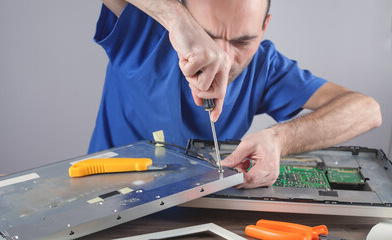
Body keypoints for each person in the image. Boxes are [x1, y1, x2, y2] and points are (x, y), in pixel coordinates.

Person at [89, 0, 382, 188]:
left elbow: (367, 110)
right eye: (207, 35)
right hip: (110, 206)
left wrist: (279, 139)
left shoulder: (265, 66)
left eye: (243, 42)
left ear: (264, 28)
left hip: (207, 216)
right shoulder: (145, 29)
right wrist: (174, 18)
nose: (224, 58)